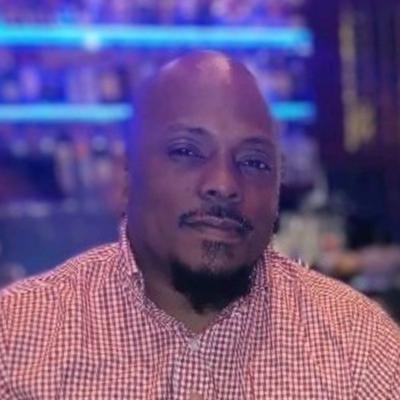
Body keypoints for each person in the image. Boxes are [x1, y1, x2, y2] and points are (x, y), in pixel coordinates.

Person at [0, 51, 399, 399]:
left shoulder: (359, 349)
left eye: (253, 162)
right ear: (127, 174)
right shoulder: (17, 342)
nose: (223, 184)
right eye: (187, 151)